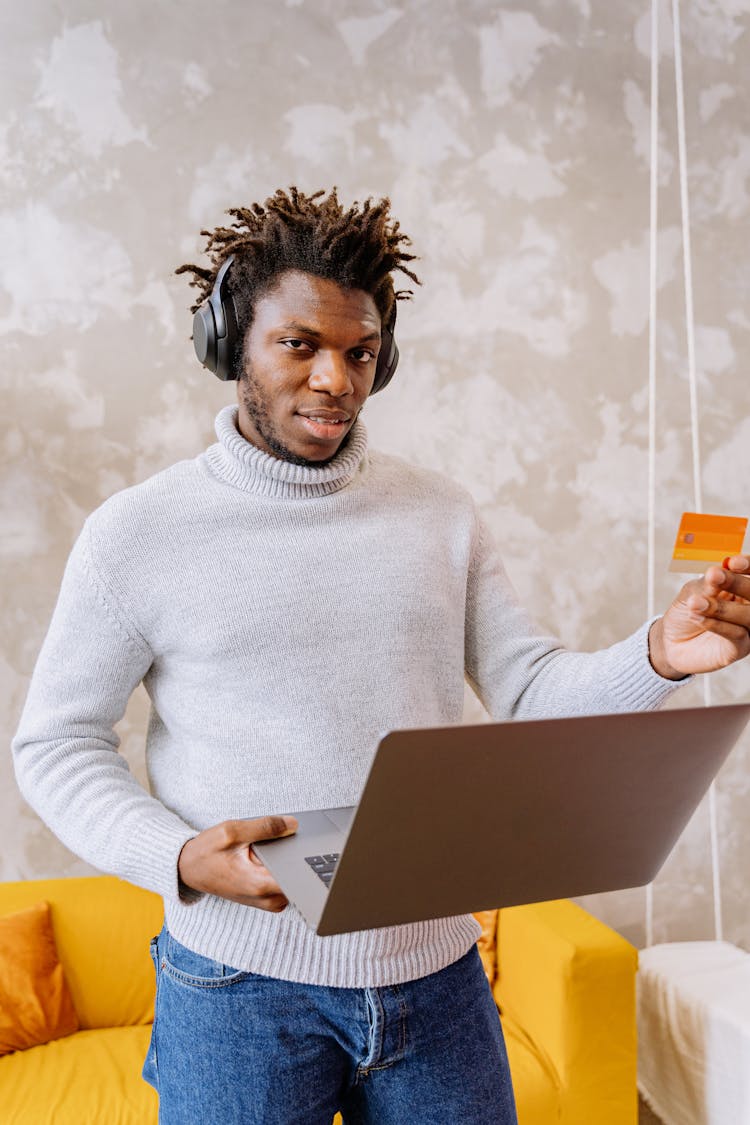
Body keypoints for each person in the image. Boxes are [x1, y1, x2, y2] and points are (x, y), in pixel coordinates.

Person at [12, 187, 750, 1125]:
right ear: (232, 341)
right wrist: (181, 855)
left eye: (361, 353)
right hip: (239, 987)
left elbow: (527, 684)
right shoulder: (136, 533)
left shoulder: (439, 513)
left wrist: (661, 655)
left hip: (438, 979)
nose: (336, 379)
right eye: (300, 345)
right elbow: (55, 744)